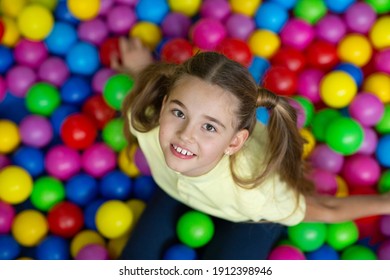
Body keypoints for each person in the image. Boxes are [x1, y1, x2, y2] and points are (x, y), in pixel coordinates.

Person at [111, 37, 390, 260]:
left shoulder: (257, 187)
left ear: (234, 142)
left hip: (246, 217)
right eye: (179, 113)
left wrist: (383, 203)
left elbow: (326, 207)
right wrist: (140, 67)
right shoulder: (146, 121)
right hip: (175, 188)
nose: (185, 135)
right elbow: (153, 88)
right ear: (163, 107)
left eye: (209, 127)